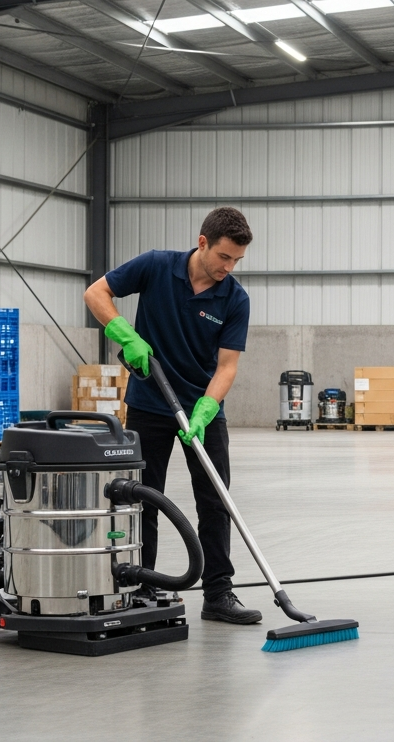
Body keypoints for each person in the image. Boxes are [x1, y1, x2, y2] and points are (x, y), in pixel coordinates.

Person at [83, 207, 259, 624]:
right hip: (149, 404)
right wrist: (125, 335)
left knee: (216, 502)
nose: (228, 268)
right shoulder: (157, 266)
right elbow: (96, 293)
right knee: (143, 499)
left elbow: (227, 366)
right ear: (203, 243)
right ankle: (144, 585)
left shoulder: (234, 298)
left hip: (201, 410)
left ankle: (218, 594)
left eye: (236, 261)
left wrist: (207, 407)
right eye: (224, 257)